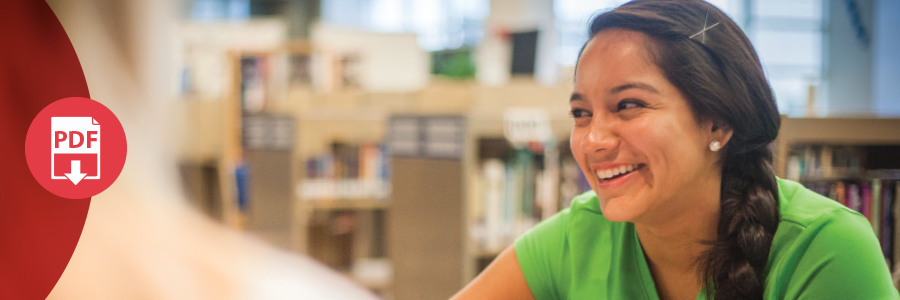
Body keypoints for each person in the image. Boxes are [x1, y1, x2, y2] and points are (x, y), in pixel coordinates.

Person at [452, 0, 898, 299]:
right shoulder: (577, 236)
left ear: (718, 122)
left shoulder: (825, 249)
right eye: (581, 113)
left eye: (628, 105)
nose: (592, 140)